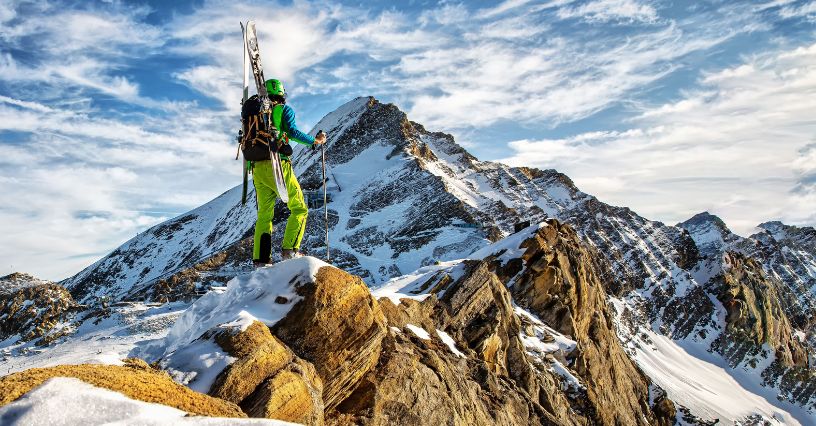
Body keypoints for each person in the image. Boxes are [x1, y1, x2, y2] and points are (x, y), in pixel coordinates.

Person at [252, 79, 326, 266]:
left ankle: (261, 261)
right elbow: (292, 132)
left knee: (264, 215)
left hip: (256, 167)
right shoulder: (284, 110)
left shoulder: (254, 114)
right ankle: (290, 251)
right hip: (277, 163)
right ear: (282, 94)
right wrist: (314, 141)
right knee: (299, 208)